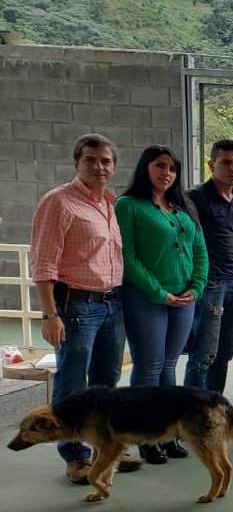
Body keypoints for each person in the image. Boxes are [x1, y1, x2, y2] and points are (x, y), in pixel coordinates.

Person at [30, 134, 143, 483]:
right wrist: (50, 315)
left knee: (106, 383)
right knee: (73, 384)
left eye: (106, 161)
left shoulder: (109, 203)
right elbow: (43, 264)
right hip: (76, 306)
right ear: (76, 163)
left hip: (111, 304)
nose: (99, 167)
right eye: (90, 160)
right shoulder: (59, 202)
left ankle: (104, 449)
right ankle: (75, 456)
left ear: (114, 166)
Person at [115, 145, 209, 464]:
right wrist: (159, 293)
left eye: (172, 168)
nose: (166, 173)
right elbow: (128, 257)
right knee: (150, 366)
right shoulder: (128, 206)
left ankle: (167, 432)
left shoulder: (181, 210)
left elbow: (200, 252)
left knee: (169, 365)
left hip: (183, 299)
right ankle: (143, 435)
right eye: (160, 166)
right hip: (146, 297)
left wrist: (195, 288)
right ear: (145, 168)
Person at [184, 140, 233, 395]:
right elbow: (190, 242)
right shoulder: (195, 198)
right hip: (211, 285)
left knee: (224, 353)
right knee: (204, 354)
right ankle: (190, 413)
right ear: (212, 165)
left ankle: (213, 408)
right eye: (226, 163)